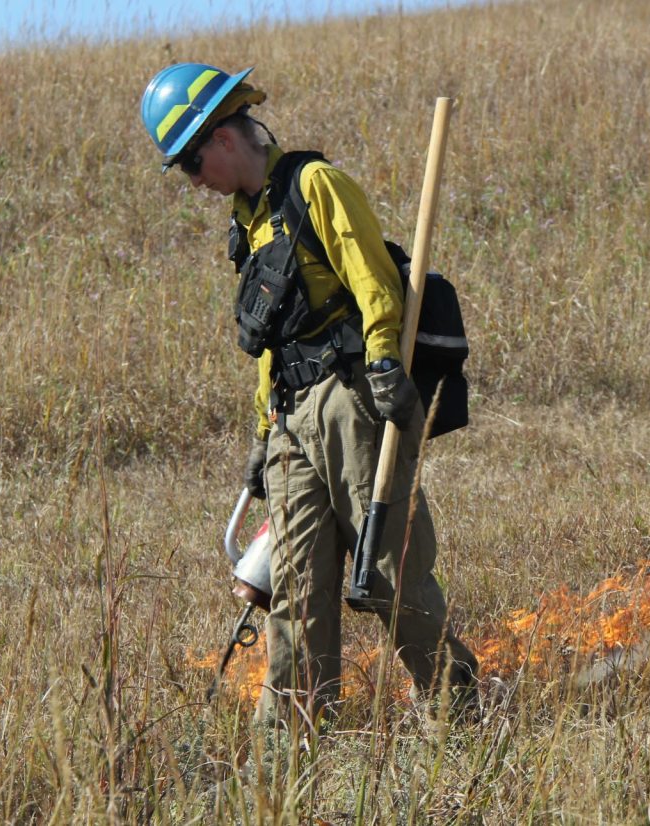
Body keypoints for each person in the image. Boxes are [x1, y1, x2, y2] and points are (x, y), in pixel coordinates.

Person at [140, 63, 478, 730]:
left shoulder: (313, 185)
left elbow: (374, 280)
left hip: (353, 399)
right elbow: (270, 342)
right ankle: (294, 735)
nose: (193, 181)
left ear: (223, 138)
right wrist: (263, 434)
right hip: (292, 419)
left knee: (384, 571)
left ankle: (452, 695)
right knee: (296, 588)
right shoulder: (248, 220)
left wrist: (384, 362)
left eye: (190, 163)